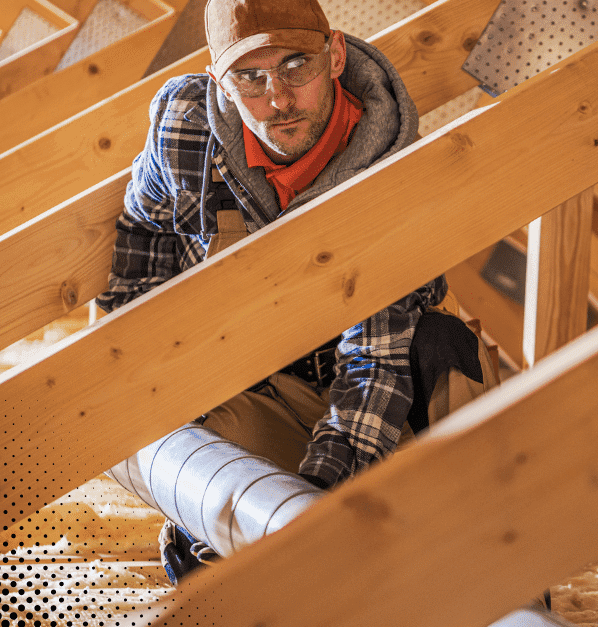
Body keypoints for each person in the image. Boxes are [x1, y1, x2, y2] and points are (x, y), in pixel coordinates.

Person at [96, 0, 495, 583]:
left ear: (335, 55)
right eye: (249, 77)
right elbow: (145, 230)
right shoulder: (187, 128)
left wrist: (309, 509)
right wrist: (137, 377)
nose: (278, 100)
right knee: (194, 441)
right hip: (259, 385)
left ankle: (494, 568)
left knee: (444, 347)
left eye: (295, 65)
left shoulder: (391, 167)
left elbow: (375, 361)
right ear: (219, 82)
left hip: (387, 400)